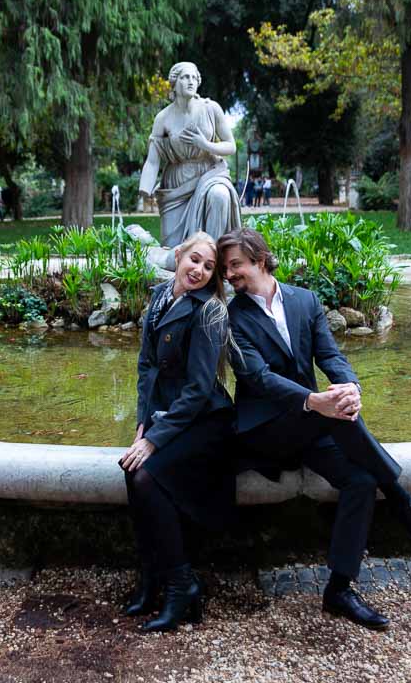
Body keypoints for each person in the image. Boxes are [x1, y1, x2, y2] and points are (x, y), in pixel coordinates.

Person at [217, 227, 411, 631]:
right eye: (225, 269)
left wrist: (349, 388)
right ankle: (401, 498)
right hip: (265, 430)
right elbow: (256, 377)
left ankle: (339, 590)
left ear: (258, 257)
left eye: (235, 264)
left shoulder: (304, 301)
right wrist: (315, 400)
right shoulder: (232, 316)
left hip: (312, 424)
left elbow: (330, 354)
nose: (229, 275)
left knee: (359, 481)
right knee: (335, 414)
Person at [119, 231, 235, 632]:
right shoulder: (159, 297)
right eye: (195, 260)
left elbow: (199, 390)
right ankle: (152, 580)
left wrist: (154, 439)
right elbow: (146, 367)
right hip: (169, 415)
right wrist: (141, 425)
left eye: (209, 267)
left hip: (207, 420)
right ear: (179, 255)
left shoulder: (209, 311)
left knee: (148, 477)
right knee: (131, 469)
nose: (200, 271)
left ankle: (182, 584)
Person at [138, 62, 242, 252]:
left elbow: (231, 146)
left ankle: (214, 262)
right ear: (174, 82)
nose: (191, 81)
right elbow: (153, 160)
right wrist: (145, 188)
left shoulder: (211, 109)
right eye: (185, 77)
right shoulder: (163, 117)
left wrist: (206, 145)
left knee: (219, 195)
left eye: (194, 77)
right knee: (172, 248)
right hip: (177, 181)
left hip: (210, 173)